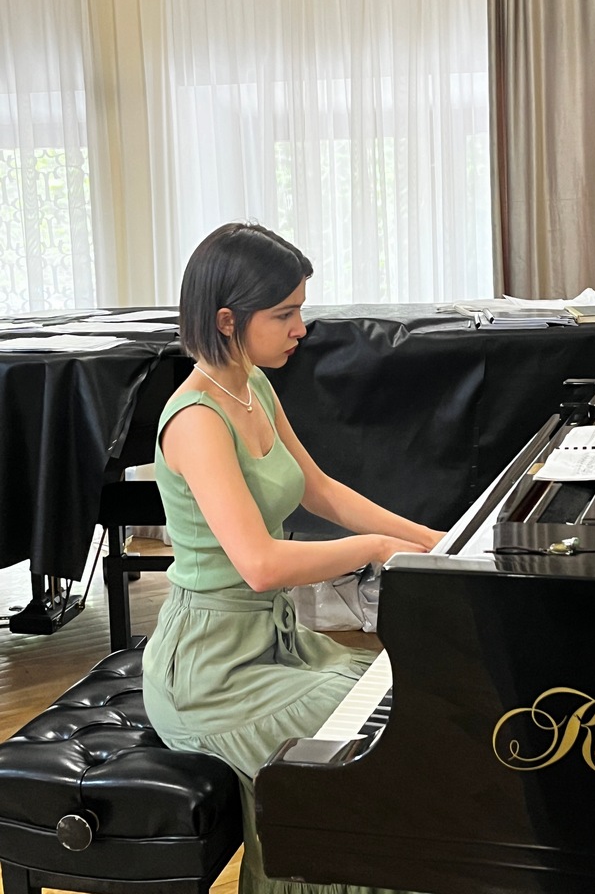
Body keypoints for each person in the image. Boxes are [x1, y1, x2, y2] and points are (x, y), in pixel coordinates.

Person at [142, 222, 444, 894]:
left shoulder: (252, 386)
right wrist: (375, 551)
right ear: (227, 320)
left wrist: (433, 539)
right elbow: (260, 565)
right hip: (209, 672)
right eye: (284, 314)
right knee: (379, 741)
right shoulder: (196, 419)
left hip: (271, 643)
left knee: (410, 694)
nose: (301, 328)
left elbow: (322, 490)